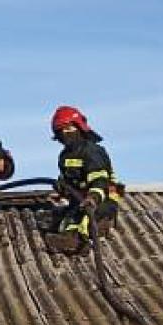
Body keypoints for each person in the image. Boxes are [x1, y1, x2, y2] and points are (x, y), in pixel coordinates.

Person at [45, 105, 123, 253]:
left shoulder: (92, 151)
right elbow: (67, 182)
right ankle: (70, 238)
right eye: (61, 131)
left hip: (105, 198)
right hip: (80, 200)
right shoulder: (64, 156)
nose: (65, 133)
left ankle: (80, 241)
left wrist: (93, 198)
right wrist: (61, 192)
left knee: (85, 218)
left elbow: (100, 181)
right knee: (63, 221)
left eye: (68, 128)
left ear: (78, 127)